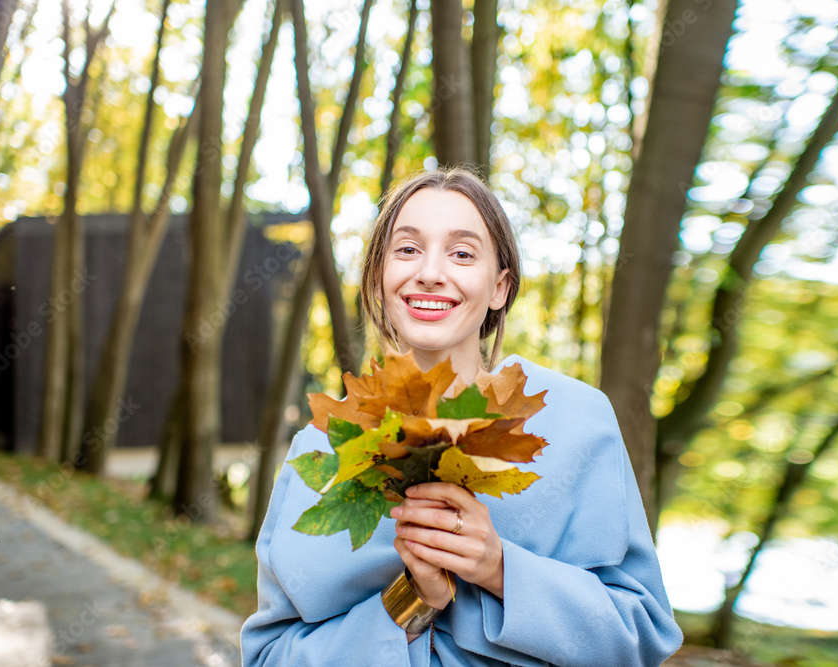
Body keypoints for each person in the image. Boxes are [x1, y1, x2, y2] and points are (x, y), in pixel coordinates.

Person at [240, 168, 683, 666]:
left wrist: (497, 568)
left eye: (462, 253)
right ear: (380, 279)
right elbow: (268, 657)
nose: (430, 271)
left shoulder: (578, 421)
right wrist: (410, 603)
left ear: (499, 287)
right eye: (407, 249)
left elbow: (639, 637)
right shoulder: (321, 447)